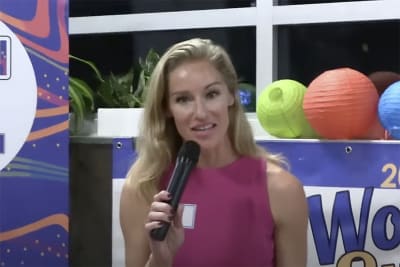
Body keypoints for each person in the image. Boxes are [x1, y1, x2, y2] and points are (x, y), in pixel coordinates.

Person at [119, 38, 308, 267]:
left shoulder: (282, 190)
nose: (200, 113)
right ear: (167, 108)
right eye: (183, 99)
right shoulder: (142, 188)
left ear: (231, 95)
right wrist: (160, 258)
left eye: (211, 94)